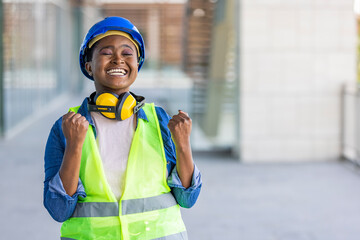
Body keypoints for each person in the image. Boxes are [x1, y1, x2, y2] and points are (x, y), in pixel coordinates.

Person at [43, 16, 202, 240]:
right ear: (88, 65)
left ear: (137, 64)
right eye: (107, 53)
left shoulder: (160, 120)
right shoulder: (65, 127)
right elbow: (59, 210)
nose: (118, 60)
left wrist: (184, 145)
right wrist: (74, 146)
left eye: (127, 53)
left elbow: (188, 199)